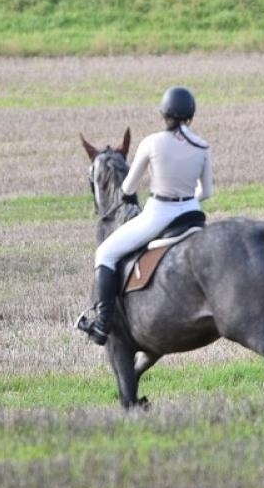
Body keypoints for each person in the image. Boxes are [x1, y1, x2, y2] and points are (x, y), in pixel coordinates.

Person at [79, 86, 213, 346]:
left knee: (104, 254)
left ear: (164, 114)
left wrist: (131, 193)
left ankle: (102, 325)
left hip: (159, 214)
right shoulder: (202, 145)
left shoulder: (151, 142)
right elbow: (206, 191)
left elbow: (127, 187)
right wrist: (186, 198)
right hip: (193, 215)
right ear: (191, 115)